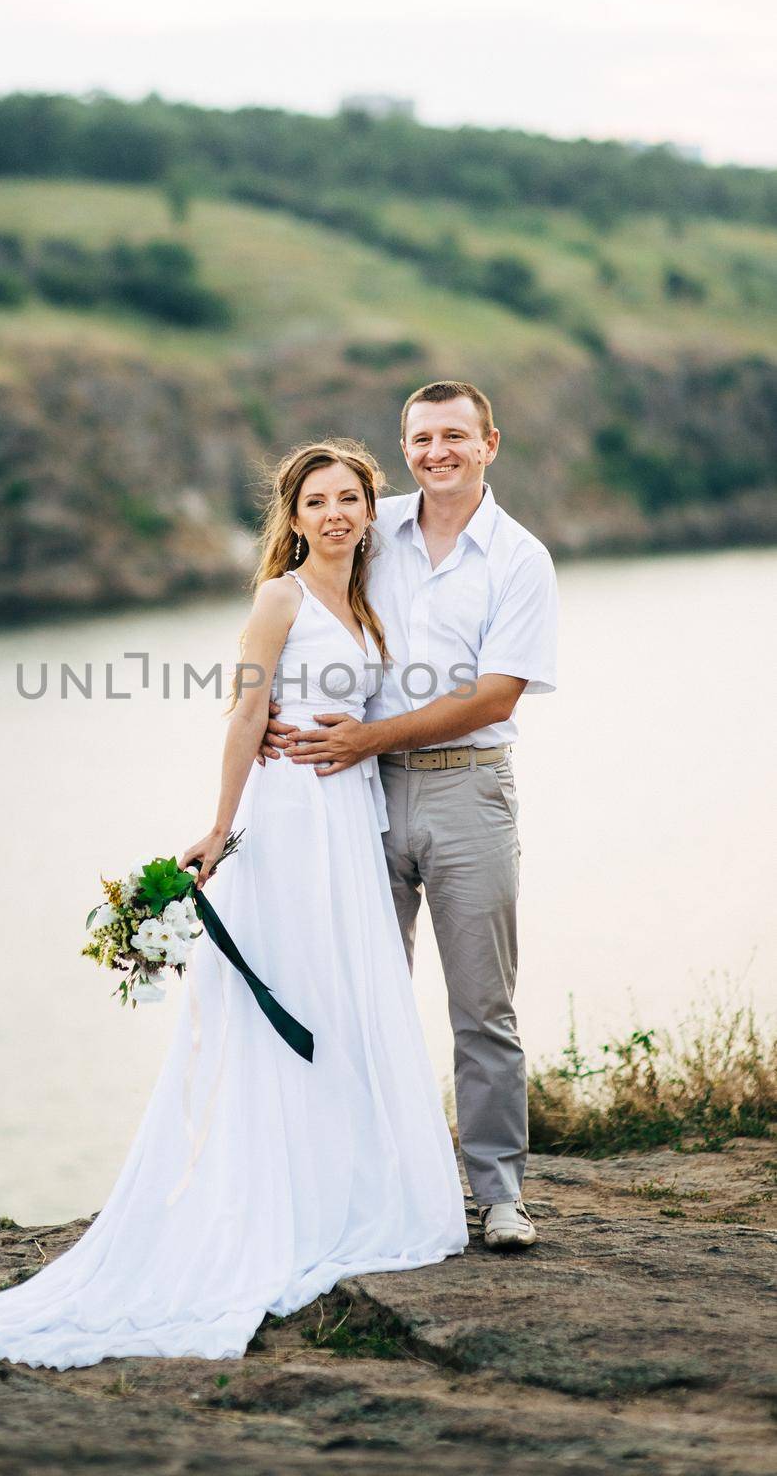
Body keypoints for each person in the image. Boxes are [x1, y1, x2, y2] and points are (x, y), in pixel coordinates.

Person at [0, 438, 467, 1372]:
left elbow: (383, 705)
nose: (336, 514)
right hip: (289, 822)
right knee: (288, 999)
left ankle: (350, 1191)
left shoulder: (369, 600)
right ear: (292, 519)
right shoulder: (279, 598)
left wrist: (364, 741)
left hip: (349, 819)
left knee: (347, 999)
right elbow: (247, 715)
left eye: (351, 499)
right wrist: (218, 826)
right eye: (318, 501)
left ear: (372, 511)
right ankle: (277, 1207)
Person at [262, 382, 558, 1251]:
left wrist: (366, 735)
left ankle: (499, 1193)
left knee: (482, 1006)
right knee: (357, 989)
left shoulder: (519, 558)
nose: (439, 452)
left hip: (470, 790)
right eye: (422, 438)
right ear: (406, 446)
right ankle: (362, 1179)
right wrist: (272, 711)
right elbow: (288, 611)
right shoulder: (365, 524)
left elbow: (497, 693)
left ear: (489, 443)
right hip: (359, 795)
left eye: (455, 436)